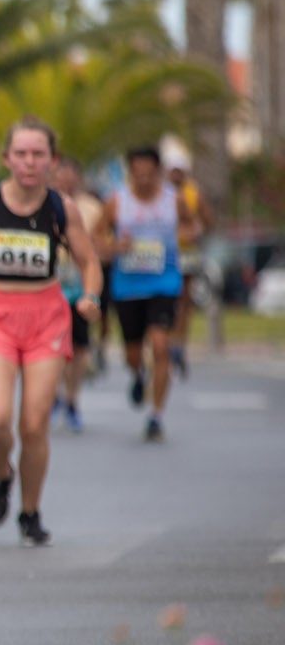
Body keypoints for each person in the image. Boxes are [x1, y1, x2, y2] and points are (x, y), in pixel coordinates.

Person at [0, 117, 104, 547]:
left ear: (51, 159)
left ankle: (30, 511)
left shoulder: (60, 207)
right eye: (21, 154)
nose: (30, 163)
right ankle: (1, 474)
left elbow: (88, 260)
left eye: (38, 154)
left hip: (46, 316)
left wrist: (90, 297)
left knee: (33, 424)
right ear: (6, 159)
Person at [96, 145, 202, 442]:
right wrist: (115, 247)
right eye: (137, 173)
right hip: (127, 286)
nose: (143, 179)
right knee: (132, 354)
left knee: (159, 345)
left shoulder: (174, 199)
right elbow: (96, 234)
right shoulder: (117, 201)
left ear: (158, 171)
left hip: (163, 283)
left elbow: (193, 225)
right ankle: (138, 374)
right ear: (130, 173)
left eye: (148, 173)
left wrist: (187, 234)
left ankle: (156, 416)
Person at [52, 156, 103, 432]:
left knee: (79, 346)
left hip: (78, 288)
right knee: (52, 347)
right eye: (61, 173)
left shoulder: (90, 208)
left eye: (71, 174)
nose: (66, 179)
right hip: (49, 289)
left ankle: (72, 400)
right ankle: (54, 396)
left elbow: (99, 246)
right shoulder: (41, 204)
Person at [163, 145, 212, 378]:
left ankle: (179, 345)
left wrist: (196, 230)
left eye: (178, 170)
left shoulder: (193, 193)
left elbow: (207, 221)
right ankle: (167, 341)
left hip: (187, 253)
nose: (175, 174)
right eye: (171, 170)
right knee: (165, 299)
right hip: (163, 254)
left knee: (184, 300)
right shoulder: (161, 193)